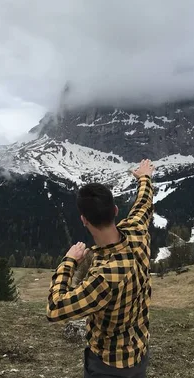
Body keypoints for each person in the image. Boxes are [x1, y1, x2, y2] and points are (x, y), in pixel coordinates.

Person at [47, 159, 155, 377]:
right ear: (115, 210)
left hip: (108, 365)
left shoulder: (104, 277)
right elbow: (143, 204)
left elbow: (55, 309)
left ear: (84, 220)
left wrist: (69, 261)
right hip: (140, 352)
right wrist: (144, 177)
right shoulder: (137, 231)